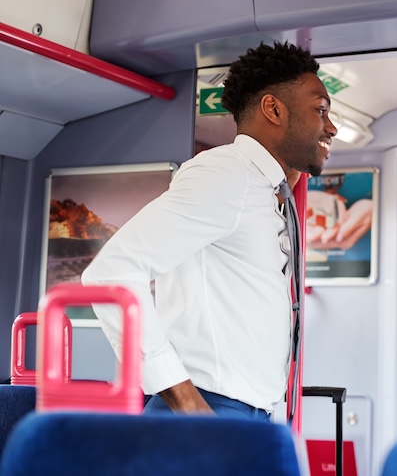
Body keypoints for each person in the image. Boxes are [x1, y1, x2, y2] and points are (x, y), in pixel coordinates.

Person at [81, 41, 337, 418]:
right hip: (212, 412)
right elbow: (111, 273)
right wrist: (187, 403)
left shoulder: (267, 190)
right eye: (320, 111)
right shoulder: (227, 174)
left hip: (250, 415)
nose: (331, 127)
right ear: (273, 109)